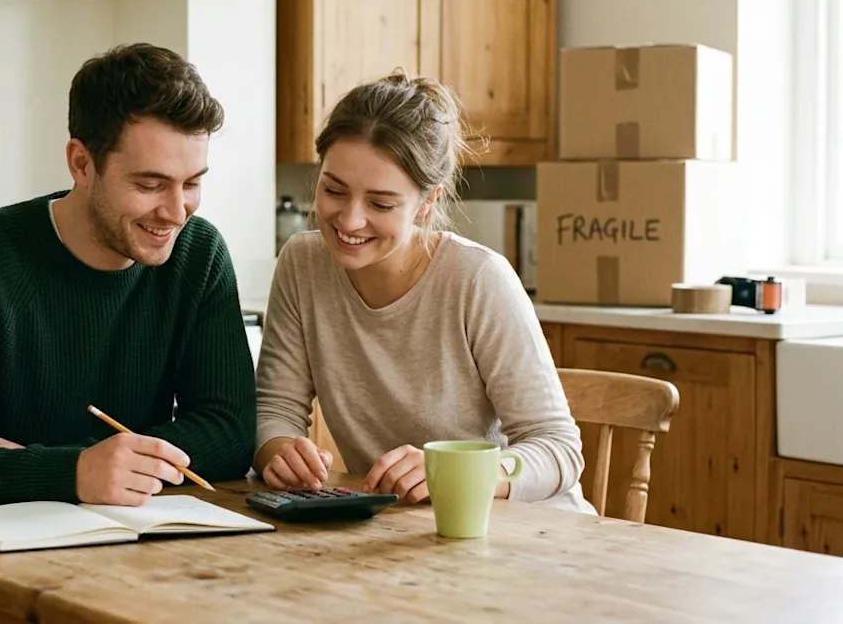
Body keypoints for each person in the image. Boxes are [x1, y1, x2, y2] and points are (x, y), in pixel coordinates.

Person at [0, 43, 258, 509]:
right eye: (150, 184)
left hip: (138, 541)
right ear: (81, 163)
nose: (177, 212)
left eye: (192, 183)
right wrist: (74, 472)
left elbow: (230, 431)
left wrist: (78, 467)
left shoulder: (199, 255)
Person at [253, 70, 595, 514]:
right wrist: (279, 450)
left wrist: (459, 471)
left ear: (428, 201)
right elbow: (274, 408)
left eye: (381, 204)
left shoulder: (478, 279)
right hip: (406, 533)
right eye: (333, 190)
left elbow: (560, 449)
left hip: (527, 533)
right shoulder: (302, 264)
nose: (349, 221)